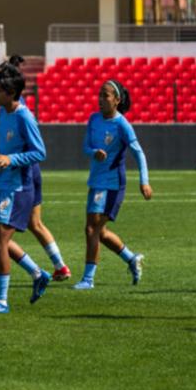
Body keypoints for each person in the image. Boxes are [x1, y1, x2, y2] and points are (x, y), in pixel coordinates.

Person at [0, 58, 52, 315]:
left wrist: (11, 159)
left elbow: (40, 152)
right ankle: (38, 273)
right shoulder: (4, 113)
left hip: (19, 187)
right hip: (4, 182)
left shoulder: (24, 116)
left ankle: (1, 301)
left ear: (11, 92)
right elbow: (5, 144)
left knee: (0, 242)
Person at [74, 79, 151, 291]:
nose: (100, 99)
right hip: (96, 181)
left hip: (112, 184)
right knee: (100, 232)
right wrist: (94, 153)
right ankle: (131, 258)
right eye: (99, 94)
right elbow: (86, 146)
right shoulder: (94, 119)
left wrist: (144, 181)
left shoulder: (122, 125)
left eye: (105, 95)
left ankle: (88, 279)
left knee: (92, 228)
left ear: (116, 100)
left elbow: (139, 153)